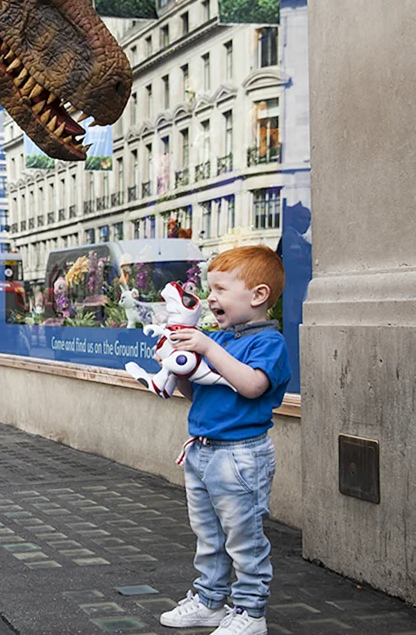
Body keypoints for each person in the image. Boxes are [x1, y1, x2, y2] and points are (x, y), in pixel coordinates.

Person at [158, 245, 291, 635]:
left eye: (220, 290)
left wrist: (207, 347)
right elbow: (195, 394)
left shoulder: (268, 344)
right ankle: (210, 601)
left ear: (258, 296)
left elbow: (251, 386)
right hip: (201, 450)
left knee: (244, 538)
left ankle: (250, 612)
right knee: (209, 535)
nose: (211, 298)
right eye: (210, 289)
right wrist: (178, 368)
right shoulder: (223, 339)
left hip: (240, 456)